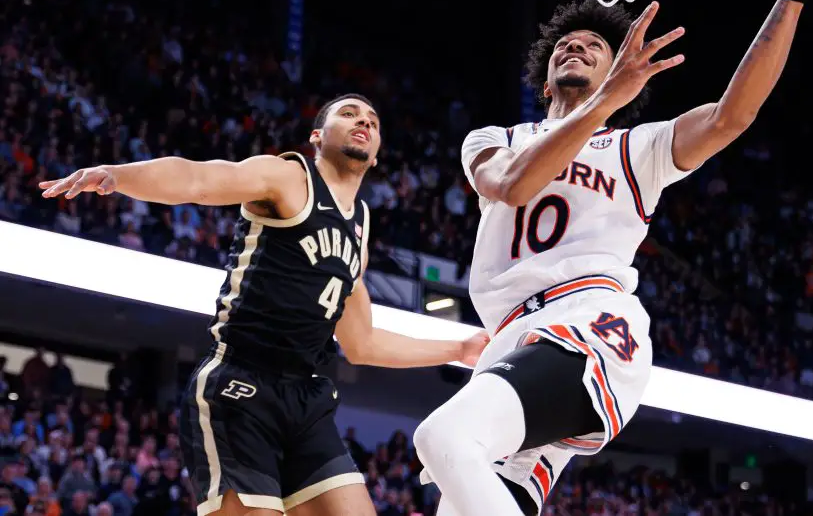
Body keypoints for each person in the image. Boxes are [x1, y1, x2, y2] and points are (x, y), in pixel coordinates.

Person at [413, 0, 813, 516]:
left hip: (587, 325)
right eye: (565, 43)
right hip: (510, 339)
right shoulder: (495, 138)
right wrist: (601, 101)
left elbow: (732, 116)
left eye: (593, 45)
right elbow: (514, 185)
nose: (574, 44)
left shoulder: (636, 149)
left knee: (442, 437)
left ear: (618, 72)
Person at [39, 94, 489, 516]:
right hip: (240, 385)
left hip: (307, 400)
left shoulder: (360, 227)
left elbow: (362, 342)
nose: (364, 122)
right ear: (318, 136)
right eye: (350, 114)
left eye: (372, 121)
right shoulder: (287, 175)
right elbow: (198, 179)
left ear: (376, 153)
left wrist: (458, 350)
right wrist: (119, 176)